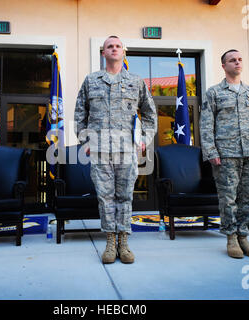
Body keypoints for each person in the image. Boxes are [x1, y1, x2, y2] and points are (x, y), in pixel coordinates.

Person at [74, 36, 157, 264]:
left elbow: (150, 113)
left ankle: (124, 242)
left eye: (117, 46)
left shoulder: (136, 81)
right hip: (100, 150)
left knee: (125, 196)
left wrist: (144, 138)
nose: (114, 49)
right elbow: (80, 114)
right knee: (105, 197)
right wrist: (85, 141)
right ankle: (110, 241)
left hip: (127, 150)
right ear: (103, 52)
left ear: (123, 52)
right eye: (109, 46)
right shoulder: (91, 81)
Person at [200, 49, 249, 259]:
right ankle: (231, 237)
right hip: (225, 154)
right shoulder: (214, 93)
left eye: (239, 59)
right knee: (228, 198)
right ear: (224, 66)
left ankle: (244, 237)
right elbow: (205, 125)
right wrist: (211, 151)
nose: (237, 63)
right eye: (232, 60)